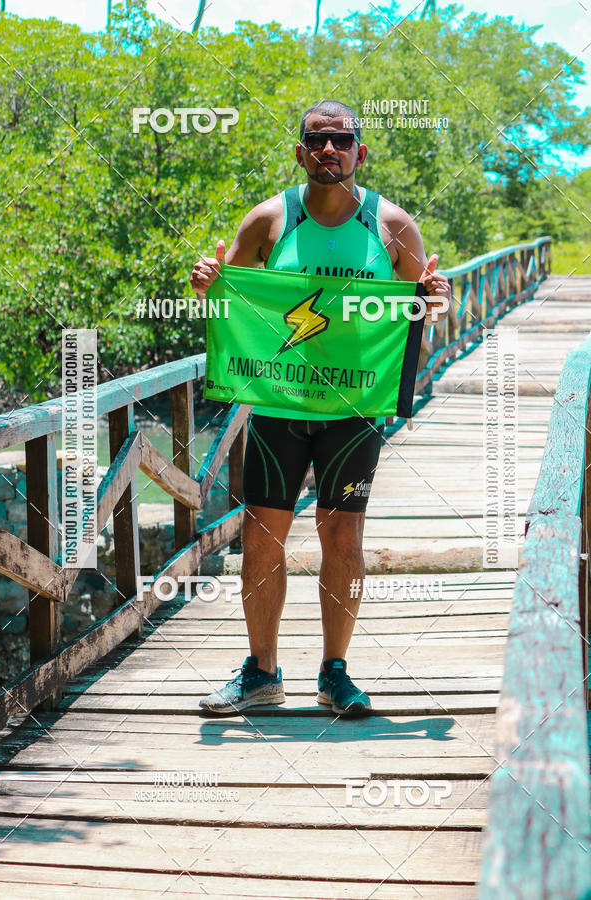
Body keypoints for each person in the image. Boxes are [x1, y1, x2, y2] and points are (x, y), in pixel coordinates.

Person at [191, 99, 450, 717]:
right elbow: (232, 302)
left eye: (342, 140)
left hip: (355, 410)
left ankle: (335, 672)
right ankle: (262, 672)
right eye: (317, 140)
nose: (329, 149)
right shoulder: (268, 220)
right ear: (300, 152)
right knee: (261, 538)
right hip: (279, 406)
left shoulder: (391, 226)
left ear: (362, 151)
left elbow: (426, 315)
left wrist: (436, 300)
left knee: (343, 537)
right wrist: (209, 282)